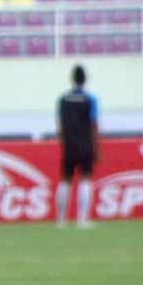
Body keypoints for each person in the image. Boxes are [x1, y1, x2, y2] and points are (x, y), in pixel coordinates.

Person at [55, 64, 99, 229]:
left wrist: (64, 141)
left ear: (72, 79)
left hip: (69, 145)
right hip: (86, 144)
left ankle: (61, 220)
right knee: (85, 179)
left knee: (65, 180)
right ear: (85, 79)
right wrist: (97, 146)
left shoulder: (63, 99)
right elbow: (94, 124)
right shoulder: (90, 99)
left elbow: (59, 125)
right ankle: (82, 220)